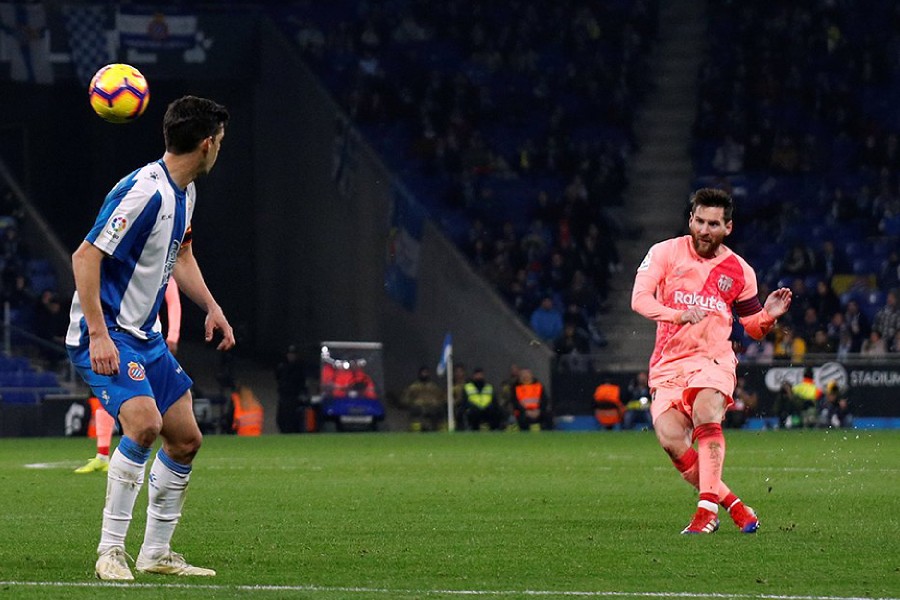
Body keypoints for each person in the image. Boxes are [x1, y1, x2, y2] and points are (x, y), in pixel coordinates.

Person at [66, 96, 233, 579]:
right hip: (109, 332)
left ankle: (155, 553)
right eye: (219, 142)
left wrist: (212, 306)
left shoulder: (185, 191)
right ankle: (110, 551)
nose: (220, 149)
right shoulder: (146, 192)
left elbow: (180, 256)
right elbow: (84, 257)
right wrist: (98, 334)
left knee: (185, 440)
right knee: (143, 425)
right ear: (206, 144)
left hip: (146, 335)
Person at [631, 187, 792, 534]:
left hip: (713, 359)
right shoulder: (664, 253)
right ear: (690, 220)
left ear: (728, 228)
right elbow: (639, 299)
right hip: (669, 364)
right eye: (700, 221)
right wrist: (677, 316)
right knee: (672, 440)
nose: (705, 230)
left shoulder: (739, 271)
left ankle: (705, 512)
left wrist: (768, 316)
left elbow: (752, 328)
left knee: (706, 411)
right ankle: (735, 507)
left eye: (714, 224)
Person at [75, 276, 182, 474]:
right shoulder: (121, 265)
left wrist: (173, 334)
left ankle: (158, 453)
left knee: (151, 404)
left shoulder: (159, 264)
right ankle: (102, 455)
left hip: (149, 342)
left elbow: (173, 299)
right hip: (118, 338)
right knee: (108, 395)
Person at [275, 344, 308, 433]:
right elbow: (278, 378)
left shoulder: (299, 367)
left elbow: (302, 382)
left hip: (294, 397)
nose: (291, 356)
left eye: (293, 354)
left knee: (294, 421)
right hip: (284, 396)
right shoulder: (282, 366)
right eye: (290, 354)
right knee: (282, 419)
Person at [401, 366, 445, 431]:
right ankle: (416, 430)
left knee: (440, 412)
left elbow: (441, 397)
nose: (424, 374)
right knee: (415, 412)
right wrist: (411, 403)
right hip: (418, 406)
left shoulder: (434, 387)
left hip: (433, 407)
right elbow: (405, 398)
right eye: (423, 373)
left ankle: (439, 430)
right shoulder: (413, 387)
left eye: (426, 373)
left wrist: (437, 403)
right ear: (419, 374)